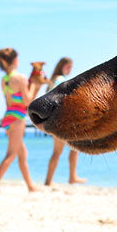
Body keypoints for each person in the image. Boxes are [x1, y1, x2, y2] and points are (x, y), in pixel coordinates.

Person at [0, 48, 36, 193]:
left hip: (8, 116)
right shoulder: (20, 78)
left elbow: (8, 102)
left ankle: (30, 186)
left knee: (22, 153)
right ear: (15, 60)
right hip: (17, 118)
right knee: (11, 154)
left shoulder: (5, 80)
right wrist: (34, 85)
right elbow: (27, 101)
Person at [36, 57, 85, 186]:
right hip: (62, 120)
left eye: (71, 67)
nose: (70, 70)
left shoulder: (54, 80)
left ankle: (49, 180)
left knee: (58, 152)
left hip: (55, 120)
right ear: (61, 66)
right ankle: (71, 177)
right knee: (74, 149)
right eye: (68, 67)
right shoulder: (60, 80)